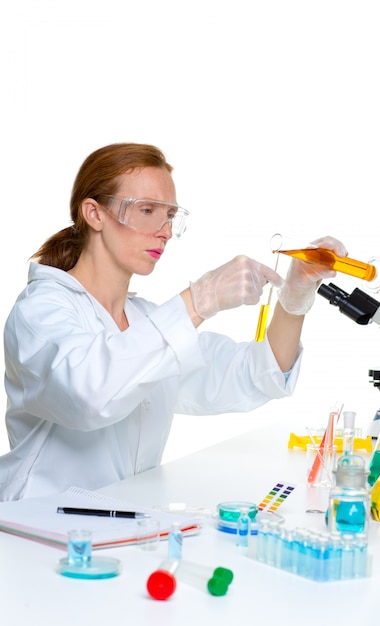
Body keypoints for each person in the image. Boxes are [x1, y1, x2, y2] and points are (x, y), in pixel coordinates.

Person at [0, 143, 347, 500]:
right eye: (147, 210)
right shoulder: (40, 311)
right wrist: (200, 298)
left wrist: (294, 296)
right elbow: (89, 393)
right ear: (94, 214)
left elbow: (257, 371)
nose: (164, 231)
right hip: (36, 529)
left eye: (169, 215)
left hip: (121, 528)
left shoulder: (148, 322)